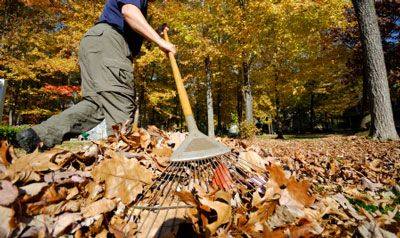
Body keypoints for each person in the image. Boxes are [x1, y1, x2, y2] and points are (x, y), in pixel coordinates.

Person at [16, 0, 176, 153]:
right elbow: (128, 11)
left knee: (95, 105)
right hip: (110, 43)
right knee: (120, 106)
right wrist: (161, 42)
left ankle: (38, 136)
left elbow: (131, 27)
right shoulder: (136, 4)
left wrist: (155, 33)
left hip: (95, 44)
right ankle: (121, 164)